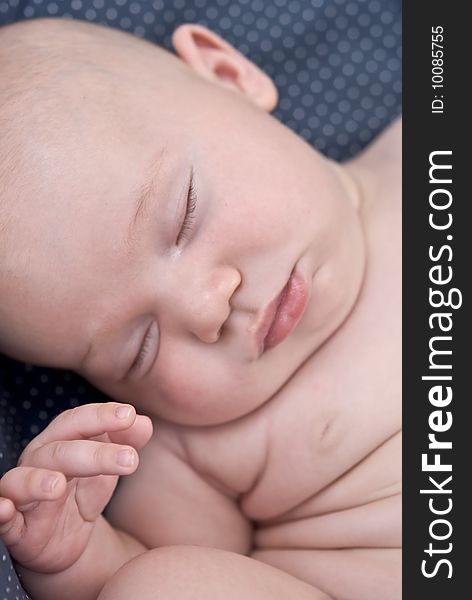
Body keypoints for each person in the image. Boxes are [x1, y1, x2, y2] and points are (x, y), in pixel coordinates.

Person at [0, 17, 401, 600]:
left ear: (228, 75)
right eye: (141, 346)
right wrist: (81, 561)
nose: (209, 308)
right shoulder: (184, 451)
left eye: (185, 215)